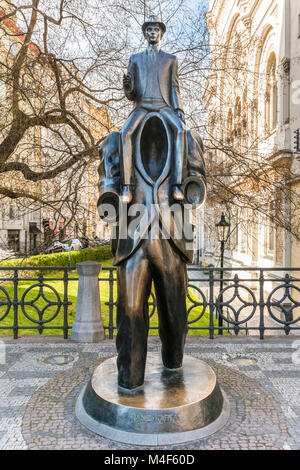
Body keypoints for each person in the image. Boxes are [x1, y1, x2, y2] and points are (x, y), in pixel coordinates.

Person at [121, 15, 187, 204]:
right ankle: (127, 186)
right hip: (142, 106)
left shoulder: (171, 59)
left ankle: (177, 184)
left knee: (180, 130)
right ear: (145, 33)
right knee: (126, 133)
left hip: (163, 105)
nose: (152, 33)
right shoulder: (135, 59)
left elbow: (174, 87)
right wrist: (128, 87)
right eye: (149, 30)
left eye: (156, 30)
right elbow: (131, 94)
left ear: (161, 33)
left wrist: (179, 109)